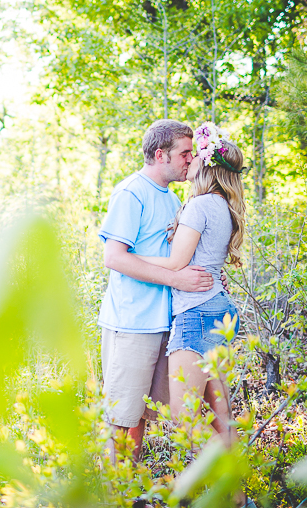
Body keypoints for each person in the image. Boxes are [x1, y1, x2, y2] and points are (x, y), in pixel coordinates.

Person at [132, 121, 253, 507]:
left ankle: (216, 483)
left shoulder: (200, 205)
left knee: (185, 419)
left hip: (196, 315)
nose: (189, 164)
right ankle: (238, 498)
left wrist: (127, 259)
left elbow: (175, 262)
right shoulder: (222, 206)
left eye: (195, 158)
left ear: (207, 167)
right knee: (221, 414)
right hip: (219, 311)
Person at [98, 119, 215, 461]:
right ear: (161, 154)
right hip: (131, 323)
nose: (190, 160)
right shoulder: (131, 192)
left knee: (142, 417)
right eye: (185, 153)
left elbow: (174, 257)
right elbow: (114, 258)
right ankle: (115, 495)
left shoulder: (172, 197)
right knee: (121, 418)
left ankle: (132, 489)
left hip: (167, 324)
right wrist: (177, 280)